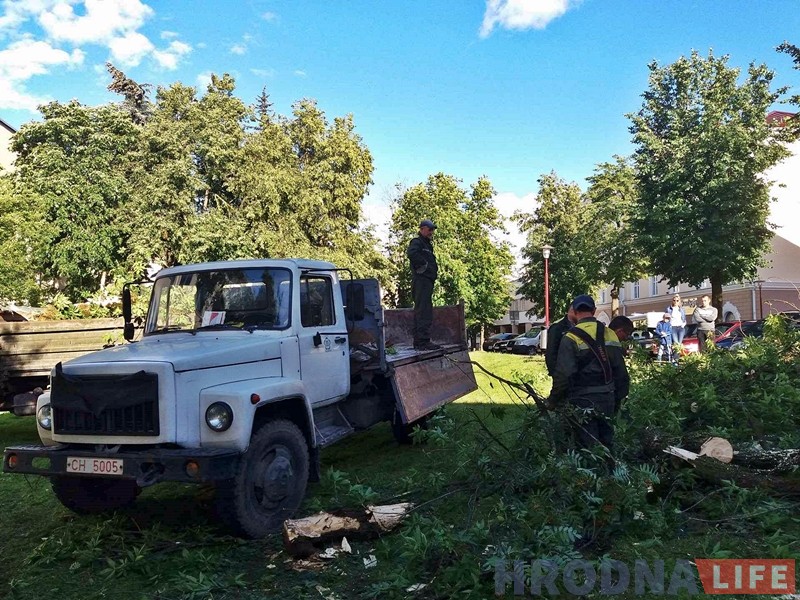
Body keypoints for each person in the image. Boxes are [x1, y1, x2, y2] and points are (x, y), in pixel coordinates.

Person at [546, 295, 630, 451]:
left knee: (587, 447)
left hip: (582, 400)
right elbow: (621, 372)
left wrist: (553, 400)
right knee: (606, 444)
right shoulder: (610, 334)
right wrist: (617, 399)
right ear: (594, 310)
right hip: (607, 397)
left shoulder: (570, 337)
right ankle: (610, 466)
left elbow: (564, 376)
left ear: (575, 311)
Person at [407, 219, 440, 351]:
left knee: (425, 309)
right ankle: (422, 342)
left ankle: (421, 341)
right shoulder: (417, 242)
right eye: (429, 229)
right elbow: (412, 254)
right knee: (423, 310)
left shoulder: (427, 245)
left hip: (427, 281)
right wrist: (424, 266)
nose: (432, 232)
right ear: (422, 229)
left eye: (433, 230)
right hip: (421, 280)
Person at [544, 306, 577, 376]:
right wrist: (555, 374)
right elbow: (551, 353)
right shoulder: (557, 328)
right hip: (561, 374)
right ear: (572, 311)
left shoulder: (579, 326)